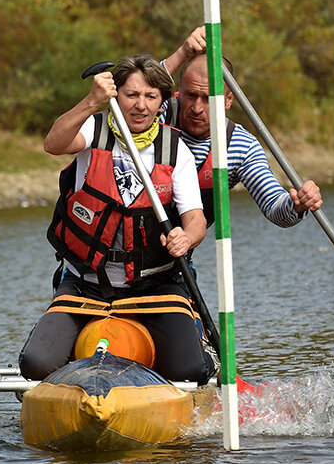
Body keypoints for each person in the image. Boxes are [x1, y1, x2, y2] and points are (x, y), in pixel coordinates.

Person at [20, 54, 215, 384]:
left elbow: (195, 219)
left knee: (189, 370)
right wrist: (90, 101)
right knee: (35, 364)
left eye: (150, 97)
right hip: (86, 283)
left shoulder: (174, 148)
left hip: (154, 286)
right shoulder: (92, 129)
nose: (140, 106)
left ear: (163, 101)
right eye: (131, 95)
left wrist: (187, 236)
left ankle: (199, 348)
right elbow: (53, 144)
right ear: (116, 96)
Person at [162, 26, 323, 226]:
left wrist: (297, 204)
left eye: (208, 99)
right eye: (191, 95)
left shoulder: (241, 145)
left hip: (178, 253)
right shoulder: (156, 113)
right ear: (179, 90)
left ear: (229, 100)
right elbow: (133, 91)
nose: (197, 108)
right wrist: (181, 54)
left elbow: (275, 207)